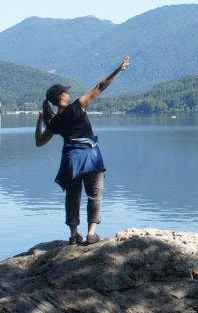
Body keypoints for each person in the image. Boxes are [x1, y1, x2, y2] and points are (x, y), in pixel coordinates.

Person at [35, 56, 130, 244]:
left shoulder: (54, 122)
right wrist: (118, 70)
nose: (69, 94)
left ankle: (73, 235)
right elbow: (100, 87)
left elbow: (39, 142)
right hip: (89, 156)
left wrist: (39, 123)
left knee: (72, 196)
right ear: (62, 97)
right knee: (94, 194)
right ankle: (91, 233)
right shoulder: (78, 106)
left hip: (71, 159)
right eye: (66, 92)